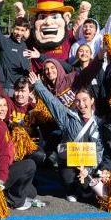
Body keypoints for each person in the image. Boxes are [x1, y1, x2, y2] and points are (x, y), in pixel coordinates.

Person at [29, 73, 103, 203]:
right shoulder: (68, 117)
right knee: (68, 179)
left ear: (92, 100)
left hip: (89, 165)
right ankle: (71, 188)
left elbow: (100, 151)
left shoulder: (100, 123)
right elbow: (52, 103)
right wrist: (38, 85)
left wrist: (88, 169)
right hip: (70, 161)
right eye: (78, 101)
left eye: (85, 100)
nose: (81, 104)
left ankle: (83, 186)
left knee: (87, 192)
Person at [0, 95, 39, 210]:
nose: (3, 109)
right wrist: (1, 179)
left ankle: (8, 193)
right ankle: (13, 201)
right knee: (30, 165)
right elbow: (1, 155)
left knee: (32, 192)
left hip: (2, 167)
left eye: (4, 105)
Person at [0, 0, 31, 93]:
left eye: (22, 30)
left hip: (23, 88)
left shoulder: (25, 45)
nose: (19, 33)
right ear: (12, 28)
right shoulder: (5, 42)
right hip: (9, 88)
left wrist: (22, 14)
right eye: (17, 29)